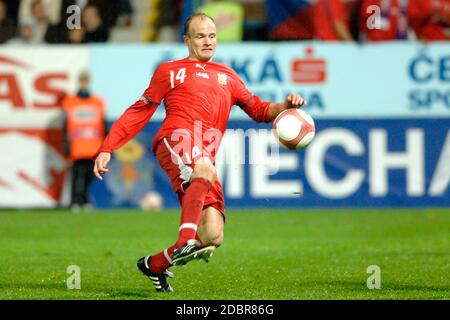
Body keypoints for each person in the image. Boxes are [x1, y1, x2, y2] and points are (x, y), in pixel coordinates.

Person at [93, 12, 307, 293]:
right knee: (204, 170)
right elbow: (140, 111)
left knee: (212, 236)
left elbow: (259, 110)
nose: (208, 42)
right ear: (187, 40)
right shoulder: (169, 71)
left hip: (204, 153)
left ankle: (155, 264)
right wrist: (108, 147)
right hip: (176, 138)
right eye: (200, 36)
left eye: (212, 36)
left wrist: (285, 105)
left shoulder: (227, 76)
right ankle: (184, 240)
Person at [63, 71, 106, 212]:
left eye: (86, 80)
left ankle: (85, 200)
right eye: (82, 80)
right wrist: (66, 144)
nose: (84, 83)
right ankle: (75, 200)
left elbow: (103, 125)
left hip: (93, 145)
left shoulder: (98, 102)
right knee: (77, 175)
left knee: (89, 175)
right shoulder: (70, 102)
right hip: (77, 145)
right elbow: (66, 125)